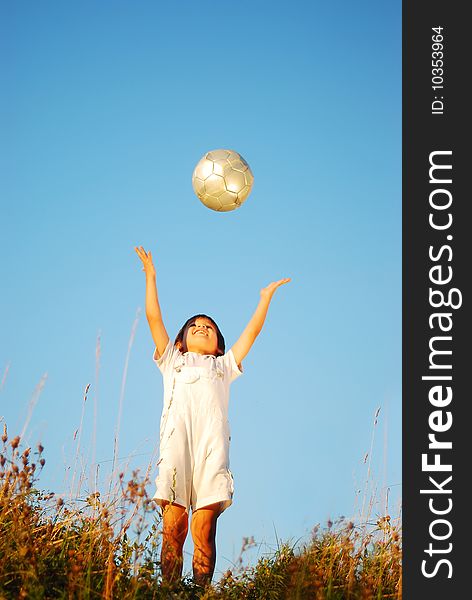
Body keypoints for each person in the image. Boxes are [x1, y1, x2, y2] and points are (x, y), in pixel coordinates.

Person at [135, 246, 290, 587]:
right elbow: (153, 319)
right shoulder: (171, 362)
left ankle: (201, 592)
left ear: (219, 344)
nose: (202, 327)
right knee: (174, 527)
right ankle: (170, 590)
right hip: (177, 448)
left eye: (209, 326)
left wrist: (264, 298)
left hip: (211, 452)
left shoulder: (223, 367)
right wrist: (151, 277)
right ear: (180, 342)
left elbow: (251, 334)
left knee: (204, 529)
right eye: (194, 326)